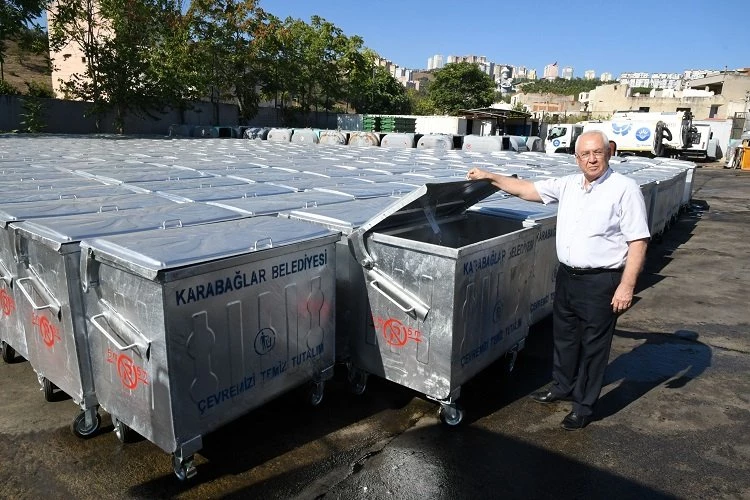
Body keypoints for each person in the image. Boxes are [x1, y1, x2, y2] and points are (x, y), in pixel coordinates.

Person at [467, 130, 650, 430]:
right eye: (585, 154)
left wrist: (626, 286)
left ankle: (583, 406)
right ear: (576, 158)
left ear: (608, 153)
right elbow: (527, 189)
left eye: (597, 153)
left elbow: (638, 242)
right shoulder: (569, 185)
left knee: (593, 347)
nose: (592, 159)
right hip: (567, 277)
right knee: (564, 337)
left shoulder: (624, 189)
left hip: (601, 281)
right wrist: (491, 177)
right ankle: (562, 386)